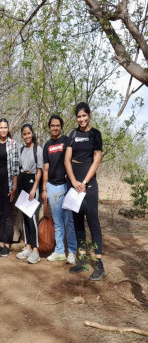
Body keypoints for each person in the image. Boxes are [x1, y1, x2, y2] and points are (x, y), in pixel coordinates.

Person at [65, 102, 105, 281]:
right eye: (79, 116)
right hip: (74, 183)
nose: (81, 119)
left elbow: (97, 161)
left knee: (93, 220)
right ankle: (81, 259)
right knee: (77, 220)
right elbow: (67, 160)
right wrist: (73, 181)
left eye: (84, 116)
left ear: (89, 115)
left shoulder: (95, 134)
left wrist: (84, 182)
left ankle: (99, 263)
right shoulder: (73, 134)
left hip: (89, 183)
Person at [42, 115, 77, 264]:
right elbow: (45, 168)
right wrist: (44, 188)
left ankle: (73, 251)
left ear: (61, 126)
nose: (55, 128)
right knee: (57, 222)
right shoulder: (47, 145)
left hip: (66, 186)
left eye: (57, 125)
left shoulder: (66, 141)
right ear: (49, 127)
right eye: (52, 126)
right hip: (52, 187)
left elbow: (72, 161)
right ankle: (60, 251)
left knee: (69, 220)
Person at [0, 118, 19, 257]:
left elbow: (15, 168)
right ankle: (1, 243)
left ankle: (7, 245)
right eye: (1, 127)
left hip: (7, 184)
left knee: (7, 215)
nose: (3, 130)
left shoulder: (13, 144)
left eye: (5, 127)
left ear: (8, 129)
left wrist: (14, 187)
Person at [15, 124, 43, 264]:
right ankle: (28, 247)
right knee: (24, 217)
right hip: (23, 182)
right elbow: (19, 168)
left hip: (33, 182)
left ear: (32, 134)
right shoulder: (21, 150)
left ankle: (36, 251)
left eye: (29, 133)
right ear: (22, 136)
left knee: (32, 217)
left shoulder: (38, 149)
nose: (27, 136)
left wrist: (34, 188)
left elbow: (39, 170)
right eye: (24, 134)